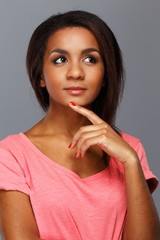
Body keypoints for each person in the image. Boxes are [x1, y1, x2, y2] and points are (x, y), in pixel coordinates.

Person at [0, 10, 159, 240]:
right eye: (60, 60)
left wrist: (131, 162)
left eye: (90, 59)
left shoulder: (130, 150)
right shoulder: (11, 155)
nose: (76, 73)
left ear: (105, 75)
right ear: (41, 76)